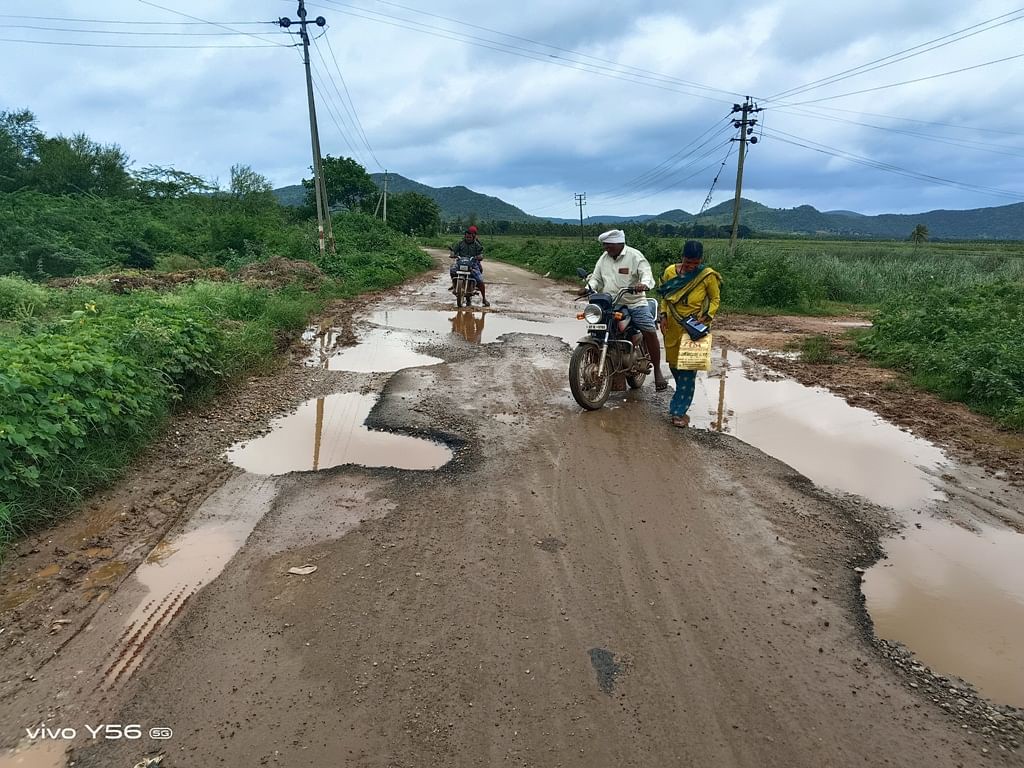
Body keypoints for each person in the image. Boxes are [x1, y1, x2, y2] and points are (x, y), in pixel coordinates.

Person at [583, 229, 668, 392]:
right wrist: (588, 288)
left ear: (619, 243)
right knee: (597, 331)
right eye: (604, 245)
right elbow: (596, 278)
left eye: (608, 245)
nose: (605, 248)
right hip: (611, 303)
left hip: (634, 303)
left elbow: (646, 274)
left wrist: (644, 284)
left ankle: (658, 371)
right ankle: (597, 372)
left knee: (649, 331)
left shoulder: (634, 256)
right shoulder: (604, 258)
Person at [657, 240, 722, 428]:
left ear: (701, 260)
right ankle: (681, 399)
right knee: (675, 367)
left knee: (688, 373)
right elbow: (665, 297)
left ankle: (678, 412)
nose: (691, 266)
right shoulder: (670, 272)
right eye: (688, 262)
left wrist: (707, 316)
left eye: (695, 263)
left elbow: (715, 299)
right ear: (682, 257)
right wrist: (663, 315)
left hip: (695, 329)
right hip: (672, 327)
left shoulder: (707, 275)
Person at [449, 225, 489, 307]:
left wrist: (479, 257)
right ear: (465, 236)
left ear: (473, 237)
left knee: (480, 280)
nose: (468, 238)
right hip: (461, 263)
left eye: (470, 237)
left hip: (473, 264)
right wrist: (453, 254)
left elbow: (481, 254)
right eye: (467, 237)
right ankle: (454, 284)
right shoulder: (460, 243)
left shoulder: (477, 244)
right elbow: (454, 251)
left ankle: (484, 299)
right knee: (452, 270)